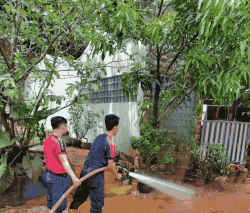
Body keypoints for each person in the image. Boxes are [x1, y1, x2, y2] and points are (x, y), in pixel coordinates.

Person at [68, 114, 123, 213]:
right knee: (97, 204)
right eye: (118, 126)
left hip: (85, 171)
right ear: (115, 127)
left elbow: (98, 155)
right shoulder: (110, 143)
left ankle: (71, 211)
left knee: (80, 197)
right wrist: (117, 175)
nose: (118, 128)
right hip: (95, 175)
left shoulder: (99, 138)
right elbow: (110, 164)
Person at [42, 116, 81, 213]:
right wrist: (74, 177)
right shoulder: (59, 142)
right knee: (60, 207)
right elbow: (64, 161)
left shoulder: (47, 140)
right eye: (66, 126)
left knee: (51, 205)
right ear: (63, 126)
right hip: (58, 178)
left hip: (48, 175)